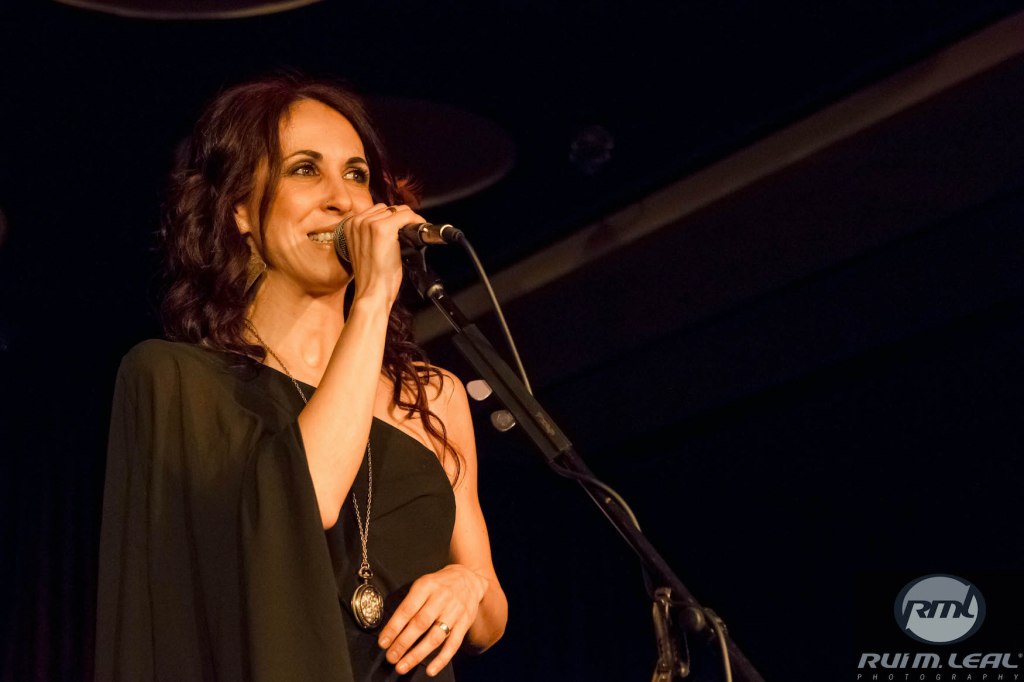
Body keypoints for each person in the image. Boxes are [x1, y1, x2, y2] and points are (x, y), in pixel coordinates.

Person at [94, 72, 508, 681]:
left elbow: (490, 617)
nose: (342, 199)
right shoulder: (177, 379)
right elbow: (305, 502)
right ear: (239, 209)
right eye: (305, 170)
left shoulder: (432, 395)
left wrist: (466, 583)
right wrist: (373, 300)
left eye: (357, 175)